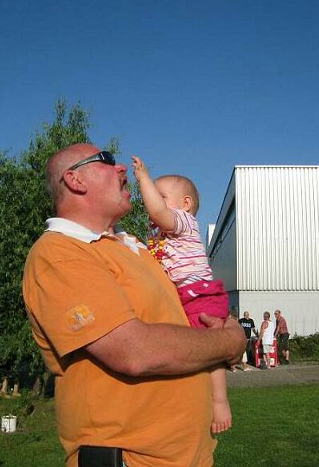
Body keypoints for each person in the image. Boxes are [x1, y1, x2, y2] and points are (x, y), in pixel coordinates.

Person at [22, 143, 246, 467]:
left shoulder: (136, 247)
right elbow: (134, 351)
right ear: (75, 180)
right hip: (131, 459)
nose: (122, 168)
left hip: (190, 457)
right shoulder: (59, 253)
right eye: (106, 160)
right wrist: (229, 341)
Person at [132, 156, 232, 434]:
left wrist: (143, 179)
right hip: (183, 296)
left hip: (200, 295)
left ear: (185, 204)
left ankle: (220, 400)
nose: (152, 202)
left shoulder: (183, 222)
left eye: (161, 196)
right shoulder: (161, 235)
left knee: (211, 348)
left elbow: (157, 212)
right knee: (185, 349)